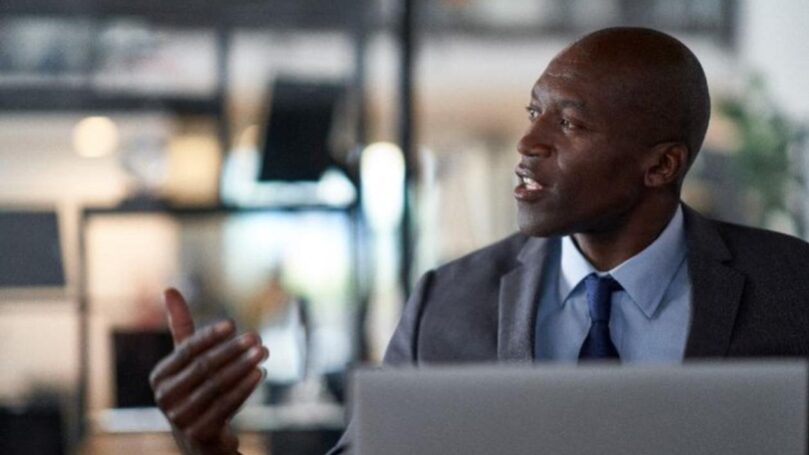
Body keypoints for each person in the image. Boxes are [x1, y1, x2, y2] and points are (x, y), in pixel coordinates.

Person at [150, 27, 809, 455]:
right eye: (533, 113)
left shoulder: (791, 288)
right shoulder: (447, 300)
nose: (527, 143)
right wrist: (211, 446)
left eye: (569, 122)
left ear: (660, 165)